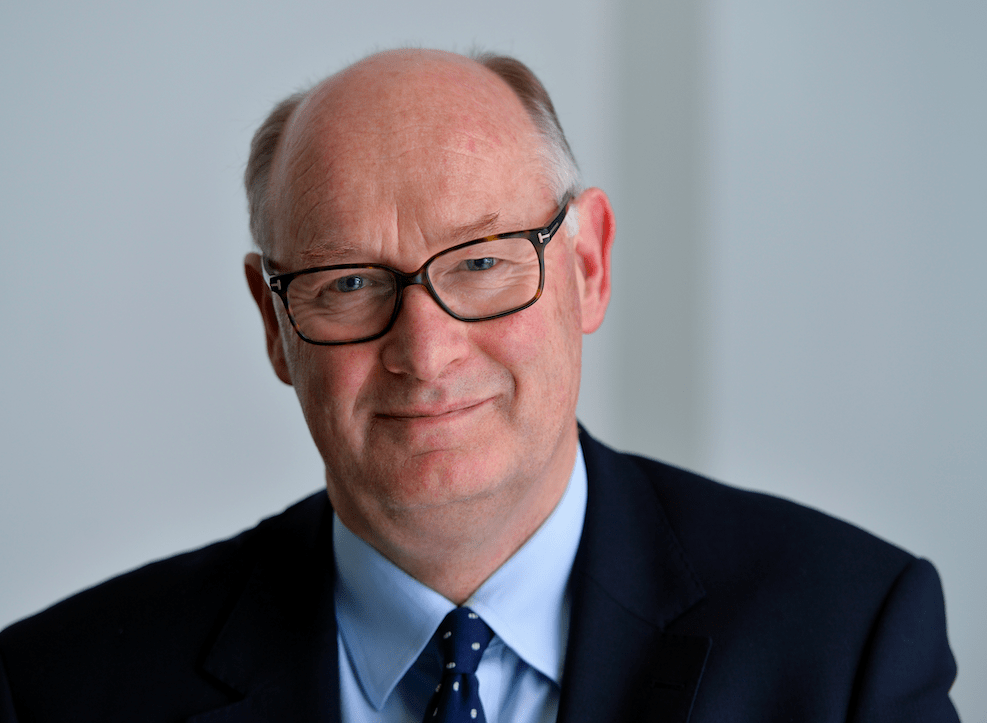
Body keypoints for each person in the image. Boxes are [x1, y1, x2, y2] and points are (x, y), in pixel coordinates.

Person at [0, 48, 959, 723]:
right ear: (273, 323)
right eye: (348, 283)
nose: (426, 350)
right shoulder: (60, 690)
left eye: (483, 262)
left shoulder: (847, 645)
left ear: (588, 265)